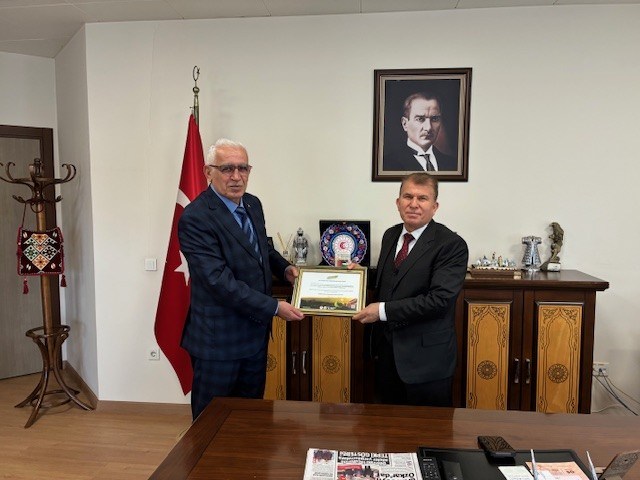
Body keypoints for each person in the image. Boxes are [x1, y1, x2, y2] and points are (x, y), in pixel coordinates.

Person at [178, 138, 304, 419]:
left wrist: (285, 268)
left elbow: (262, 247)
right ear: (208, 172)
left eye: (243, 168)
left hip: (254, 337)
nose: (236, 176)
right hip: (219, 341)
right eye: (227, 169)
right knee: (211, 421)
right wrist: (274, 307)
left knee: (249, 416)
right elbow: (218, 281)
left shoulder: (252, 204)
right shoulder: (196, 217)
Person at [352, 172, 468, 407]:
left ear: (434, 206)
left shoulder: (451, 245)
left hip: (426, 364)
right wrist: (358, 274)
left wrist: (382, 311)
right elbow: (393, 278)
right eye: (408, 196)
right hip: (386, 357)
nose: (414, 204)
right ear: (398, 202)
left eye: (422, 198)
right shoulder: (391, 235)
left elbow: (439, 300)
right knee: (387, 426)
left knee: (428, 427)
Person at [383, 92, 458, 172]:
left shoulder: (453, 163)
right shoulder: (388, 164)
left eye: (434, 119)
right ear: (405, 124)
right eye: (420, 119)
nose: (428, 128)